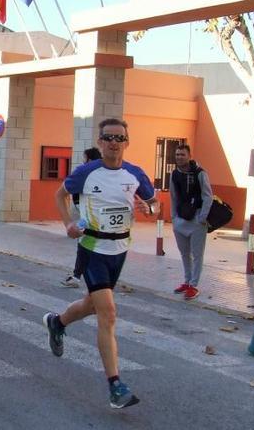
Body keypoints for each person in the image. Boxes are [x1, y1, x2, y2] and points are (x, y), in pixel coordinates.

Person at [44, 118, 159, 410]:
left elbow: (155, 204)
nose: (113, 143)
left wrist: (150, 208)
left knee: (92, 305)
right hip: (92, 247)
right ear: (100, 142)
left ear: (126, 142)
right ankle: (115, 385)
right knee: (107, 313)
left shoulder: (135, 174)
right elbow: (61, 194)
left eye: (119, 138)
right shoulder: (86, 172)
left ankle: (57, 322)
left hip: (119, 249)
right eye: (108, 137)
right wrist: (69, 223)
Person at [170, 144, 213, 301]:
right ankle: (187, 282)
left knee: (197, 254)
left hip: (196, 221)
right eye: (177, 154)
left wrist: (202, 217)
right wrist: (173, 217)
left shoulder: (200, 173)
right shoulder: (174, 174)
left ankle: (194, 285)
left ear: (189, 156)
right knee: (184, 253)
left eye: (182, 154)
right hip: (180, 220)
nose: (179, 157)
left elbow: (208, 195)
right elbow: (173, 196)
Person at [61, 147, 102, 288]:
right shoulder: (102, 173)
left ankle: (78, 276)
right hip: (93, 215)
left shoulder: (84, 173)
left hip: (87, 215)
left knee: (85, 245)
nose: (83, 161)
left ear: (89, 159)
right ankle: (79, 275)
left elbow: (68, 191)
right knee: (87, 245)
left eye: (84, 158)